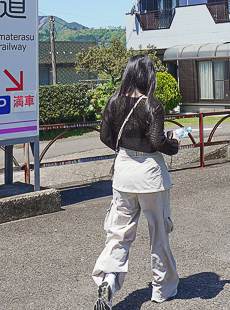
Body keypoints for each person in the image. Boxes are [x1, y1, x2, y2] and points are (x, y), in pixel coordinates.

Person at [91, 55, 181, 309]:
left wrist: (124, 150)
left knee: (119, 233)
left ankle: (108, 278)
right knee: (159, 234)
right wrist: (173, 143)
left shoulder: (113, 102)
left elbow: (106, 136)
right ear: (148, 76)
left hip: (123, 174)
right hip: (150, 177)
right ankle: (162, 289)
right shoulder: (153, 105)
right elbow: (157, 142)